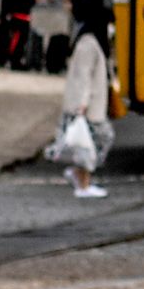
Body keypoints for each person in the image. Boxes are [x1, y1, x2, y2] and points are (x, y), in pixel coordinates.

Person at [50, 23, 113, 198]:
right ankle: (82, 184)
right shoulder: (88, 45)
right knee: (90, 145)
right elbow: (83, 77)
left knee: (87, 145)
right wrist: (82, 104)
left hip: (89, 106)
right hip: (88, 108)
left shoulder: (88, 43)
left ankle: (80, 178)